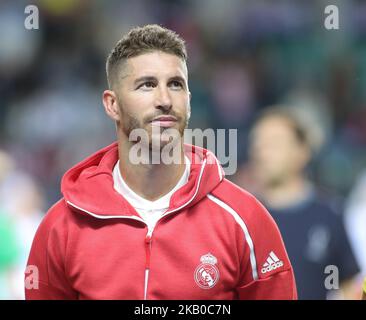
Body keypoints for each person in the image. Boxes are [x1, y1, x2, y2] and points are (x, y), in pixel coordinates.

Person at [25, 25, 296, 300]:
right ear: (112, 104)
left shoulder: (245, 219)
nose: (165, 100)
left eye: (176, 84)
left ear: (188, 101)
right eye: (147, 85)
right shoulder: (62, 227)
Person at [246, 107, 360, 299]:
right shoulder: (242, 216)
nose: (262, 153)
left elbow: (349, 285)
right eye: (258, 144)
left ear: (302, 152)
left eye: (273, 144)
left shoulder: (329, 215)